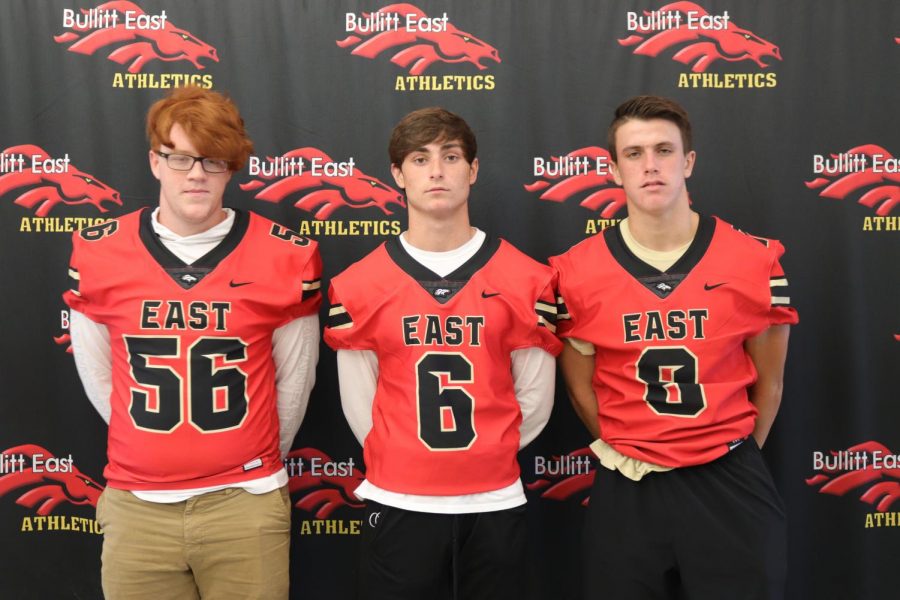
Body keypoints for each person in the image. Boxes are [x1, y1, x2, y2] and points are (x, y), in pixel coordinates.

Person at [63, 86, 321, 600]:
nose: (196, 174)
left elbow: (295, 379)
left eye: (212, 159)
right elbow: (99, 373)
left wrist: (252, 465)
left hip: (245, 502)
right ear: (155, 164)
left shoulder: (285, 255)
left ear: (232, 167)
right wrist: (152, 447)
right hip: (137, 505)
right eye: (179, 158)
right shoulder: (100, 251)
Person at [551, 95, 798, 600]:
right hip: (629, 485)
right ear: (615, 170)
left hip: (728, 479)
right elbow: (581, 390)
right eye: (634, 154)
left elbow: (769, 383)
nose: (650, 166)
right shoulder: (575, 272)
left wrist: (729, 453)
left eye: (664, 150)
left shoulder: (752, 260)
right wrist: (637, 449)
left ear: (688, 162)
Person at [324, 107, 562, 600]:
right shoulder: (360, 284)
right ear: (397, 175)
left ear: (472, 171)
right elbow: (360, 404)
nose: (436, 171)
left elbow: (534, 400)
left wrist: (481, 456)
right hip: (398, 500)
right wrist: (412, 460)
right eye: (420, 158)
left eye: (450, 157)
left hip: (493, 498)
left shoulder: (525, 279)